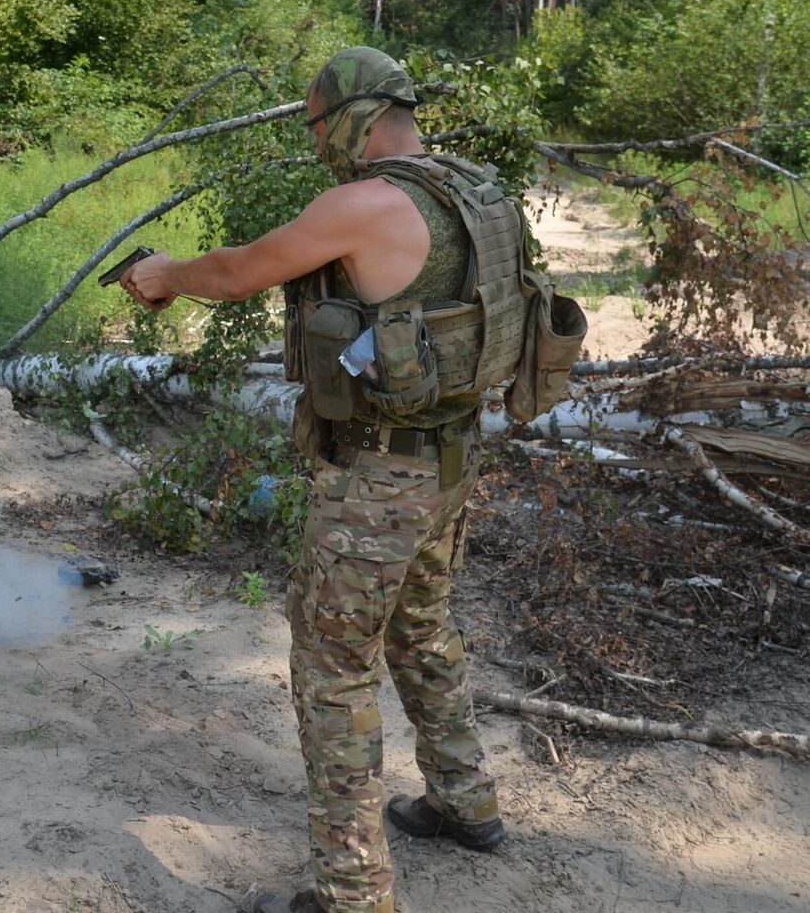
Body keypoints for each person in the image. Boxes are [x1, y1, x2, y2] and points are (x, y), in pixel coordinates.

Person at [120, 46, 515, 913]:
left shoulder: (365, 203)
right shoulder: (474, 191)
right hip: (451, 458)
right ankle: (464, 800)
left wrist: (166, 277)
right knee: (422, 626)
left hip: (376, 479)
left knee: (332, 671)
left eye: (314, 123)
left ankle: (352, 893)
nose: (314, 142)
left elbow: (235, 272)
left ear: (354, 119)